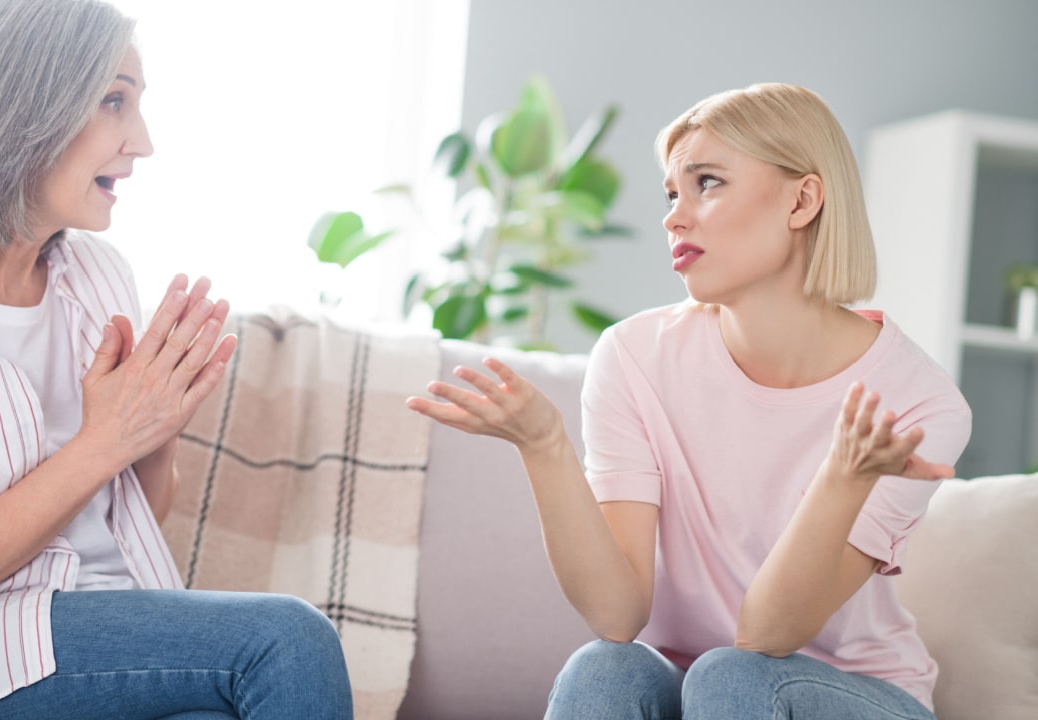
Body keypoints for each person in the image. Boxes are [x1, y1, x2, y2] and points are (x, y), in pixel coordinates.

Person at [0, 1, 353, 718]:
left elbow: (129, 516)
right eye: (115, 101)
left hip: (90, 629)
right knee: (288, 641)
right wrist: (105, 442)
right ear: (22, 106)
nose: (144, 143)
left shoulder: (99, 275)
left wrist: (156, 430)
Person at [408, 82, 971, 719]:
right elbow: (617, 617)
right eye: (673, 193)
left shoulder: (918, 400)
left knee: (733, 677)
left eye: (708, 182)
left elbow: (766, 638)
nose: (675, 216)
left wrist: (844, 477)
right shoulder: (634, 355)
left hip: (853, 696)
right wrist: (544, 445)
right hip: (697, 691)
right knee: (605, 668)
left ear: (803, 200)